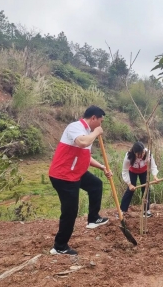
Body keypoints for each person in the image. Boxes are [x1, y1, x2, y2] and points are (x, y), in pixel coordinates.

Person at [48, 105, 112, 255]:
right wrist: (96, 132)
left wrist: (102, 167)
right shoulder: (75, 127)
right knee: (70, 212)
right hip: (63, 176)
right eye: (100, 122)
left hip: (76, 173)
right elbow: (83, 143)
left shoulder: (87, 132)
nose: (100, 126)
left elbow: (86, 157)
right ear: (93, 118)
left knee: (96, 184)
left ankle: (93, 218)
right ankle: (60, 246)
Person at [120, 142, 159, 218]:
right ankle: (122, 210)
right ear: (134, 153)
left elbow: (153, 166)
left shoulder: (148, 154)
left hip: (143, 171)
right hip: (132, 172)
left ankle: (146, 211)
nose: (141, 156)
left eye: (143, 153)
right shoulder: (128, 156)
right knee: (130, 190)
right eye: (139, 154)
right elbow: (125, 171)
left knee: (146, 189)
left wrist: (155, 176)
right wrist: (129, 184)